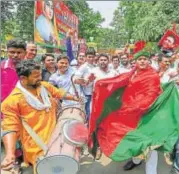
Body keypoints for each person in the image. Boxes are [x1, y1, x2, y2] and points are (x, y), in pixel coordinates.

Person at [89, 51, 163, 174]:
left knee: (150, 144)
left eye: (145, 59)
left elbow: (151, 96)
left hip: (147, 115)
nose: (142, 61)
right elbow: (120, 82)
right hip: (130, 114)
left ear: (148, 61)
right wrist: (102, 84)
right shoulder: (132, 73)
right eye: (140, 59)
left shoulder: (152, 76)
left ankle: (151, 172)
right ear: (136, 62)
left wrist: (135, 107)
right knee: (132, 139)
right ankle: (136, 161)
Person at [1, 60, 82, 172]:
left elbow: (58, 93)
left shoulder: (44, 86)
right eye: (35, 76)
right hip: (37, 146)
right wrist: (10, 154)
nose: (40, 78)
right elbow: (10, 128)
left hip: (57, 138)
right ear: (23, 79)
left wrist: (74, 97)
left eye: (39, 75)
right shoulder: (12, 101)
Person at [1, 39, 26, 103]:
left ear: (25, 53)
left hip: (24, 106)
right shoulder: (2, 67)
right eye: (12, 52)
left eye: (19, 52)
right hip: (4, 106)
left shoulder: (31, 68)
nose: (15, 55)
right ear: (7, 52)